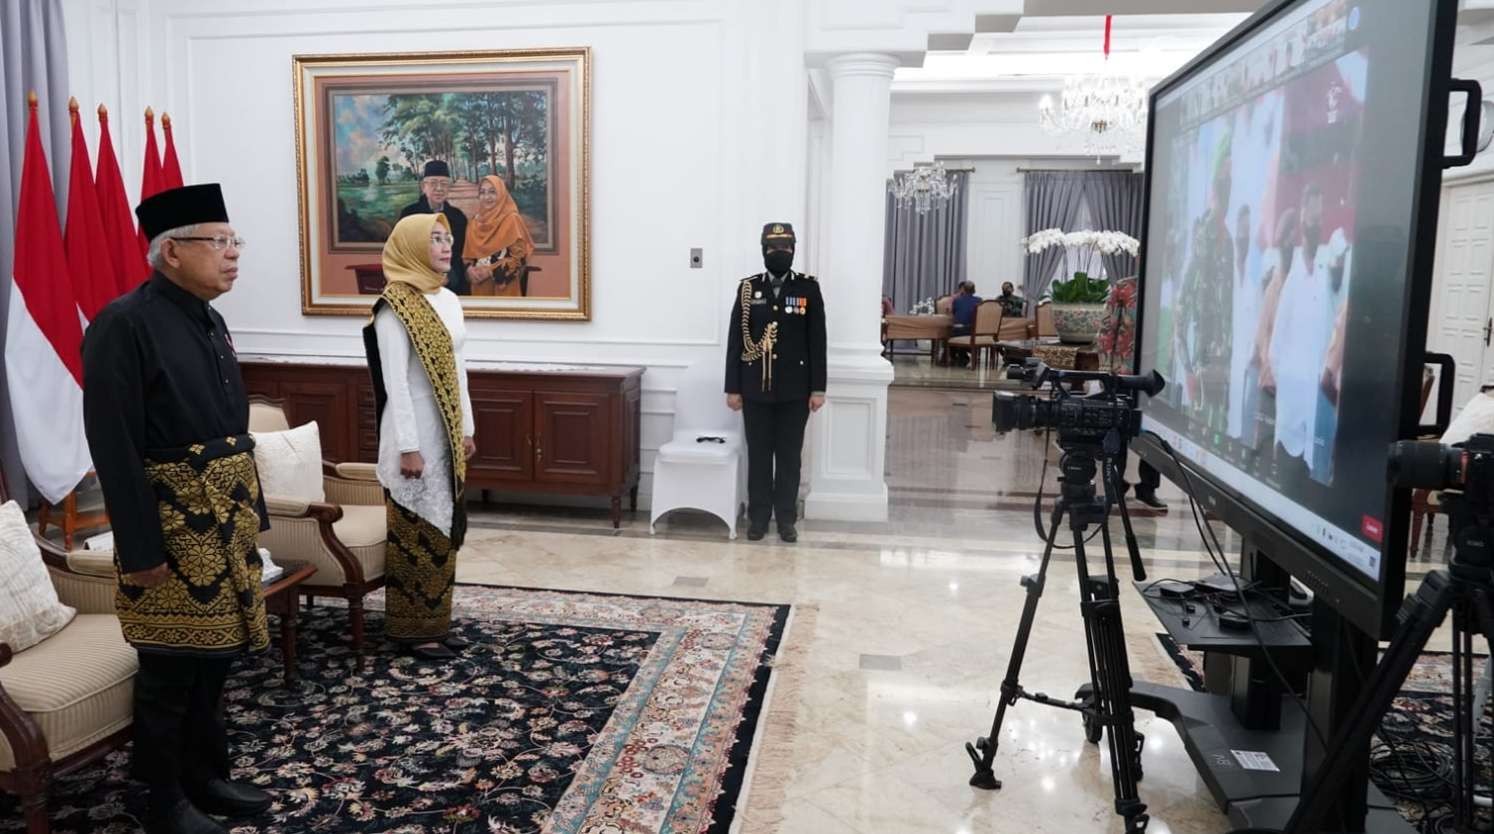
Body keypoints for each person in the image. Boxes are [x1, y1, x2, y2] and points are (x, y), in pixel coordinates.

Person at [83, 183, 273, 834]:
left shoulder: (209, 318)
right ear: (171, 252)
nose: (233, 254)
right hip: (168, 528)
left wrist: (254, 514)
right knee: (169, 667)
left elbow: (229, 433)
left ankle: (205, 777)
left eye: (233, 241)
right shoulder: (122, 324)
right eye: (218, 242)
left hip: (228, 522)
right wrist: (139, 551)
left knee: (216, 659)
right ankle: (158, 799)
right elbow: (114, 446)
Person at [363, 213, 477, 659]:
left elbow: (458, 370)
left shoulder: (447, 299)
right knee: (416, 527)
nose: (446, 246)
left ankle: (437, 620)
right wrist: (409, 447)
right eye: (434, 239)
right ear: (410, 245)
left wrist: (466, 427)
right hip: (412, 434)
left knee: (444, 524)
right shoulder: (394, 306)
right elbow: (396, 382)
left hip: (445, 430)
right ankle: (411, 629)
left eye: (448, 238)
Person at [725, 222, 826, 543]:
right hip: (755, 388)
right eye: (772, 249)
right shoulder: (747, 288)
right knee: (758, 456)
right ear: (763, 250)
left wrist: (818, 388)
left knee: (788, 457)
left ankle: (786, 519)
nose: (778, 254)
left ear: (793, 250)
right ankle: (758, 518)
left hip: (796, 391)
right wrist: (733, 387)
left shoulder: (808, 288)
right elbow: (734, 342)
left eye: (784, 249)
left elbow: (817, 341)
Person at [1175, 131, 1235, 433]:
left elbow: (1229, 307)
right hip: (1200, 356)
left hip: (1222, 359)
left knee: (1218, 427)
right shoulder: (1202, 239)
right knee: (1199, 425)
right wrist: (1188, 368)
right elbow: (1182, 310)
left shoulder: (1231, 241)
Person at [1094, 275, 1165, 509]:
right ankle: (1115, 485)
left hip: (1155, 372)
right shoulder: (1124, 287)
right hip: (1124, 370)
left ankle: (1148, 487)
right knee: (1119, 428)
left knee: (1154, 432)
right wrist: (1107, 370)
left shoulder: (1165, 285)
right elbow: (1106, 330)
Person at [399, 160, 470, 295]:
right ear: (423, 186)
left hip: (451, 283)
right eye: (433, 183)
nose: (439, 188)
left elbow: (460, 254)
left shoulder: (458, 217)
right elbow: (403, 253)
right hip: (417, 285)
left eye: (444, 184)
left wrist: (447, 276)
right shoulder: (409, 214)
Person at [465, 174, 534, 297]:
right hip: (479, 287)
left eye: (492, 192)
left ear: (501, 194)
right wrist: (469, 270)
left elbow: (519, 258)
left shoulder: (512, 219)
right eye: (482, 192)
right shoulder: (474, 223)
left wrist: (491, 271)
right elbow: (468, 257)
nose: (487, 197)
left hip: (505, 289)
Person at [949, 281, 982, 367]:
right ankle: (963, 355)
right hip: (973, 331)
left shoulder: (957, 300)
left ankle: (954, 358)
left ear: (963, 290)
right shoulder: (979, 300)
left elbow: (954, 314)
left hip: (959, 331)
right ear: (974, 290)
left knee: (950, 333)